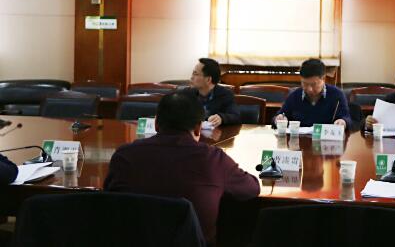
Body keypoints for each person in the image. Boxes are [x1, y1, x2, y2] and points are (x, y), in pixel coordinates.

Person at [104, 92, 260, 244]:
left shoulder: (125, 155)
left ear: (156, 124)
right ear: (198, 128)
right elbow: (251, 189)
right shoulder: (213, 159)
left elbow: (109, 198)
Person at [274, 58, 350, 128]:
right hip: (299, 138)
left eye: (313, 84)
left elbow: (346, 117)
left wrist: (343, 121)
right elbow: (281, 114)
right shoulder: (294, 95)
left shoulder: (336, 94)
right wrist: (279, 119)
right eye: (305, 84)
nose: (309, 89)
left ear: (323, 78)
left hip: (326, 137)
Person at [185, 57, 240, 127]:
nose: (191, 77)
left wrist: (221, 118)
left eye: (195, 74)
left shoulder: (225, 94)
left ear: (208, 79)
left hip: (216, 133)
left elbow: (236, 116)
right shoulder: (188, 93)